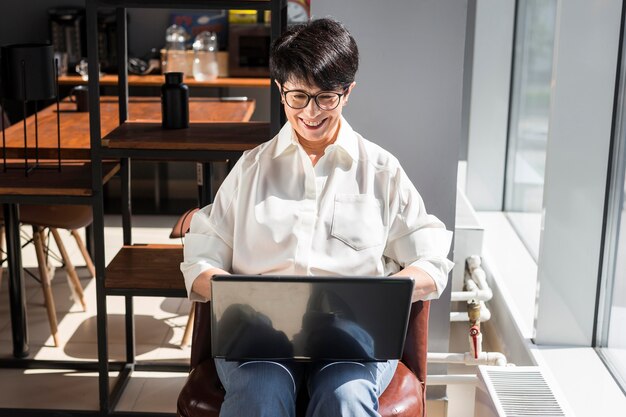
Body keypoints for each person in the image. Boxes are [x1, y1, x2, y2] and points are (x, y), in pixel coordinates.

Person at [181, 17, 453, 417]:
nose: (311, 112)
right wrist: (228, 293)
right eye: (297, 96)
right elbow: (202, 256)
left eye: (326, 97)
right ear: (280, 90)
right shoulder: (251, 169)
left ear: (348, 92)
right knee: (260, 391)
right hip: (258, 341)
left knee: (345, 398)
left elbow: (433, 262)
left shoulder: (380, 170)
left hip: (354, 342)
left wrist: (389, 294)